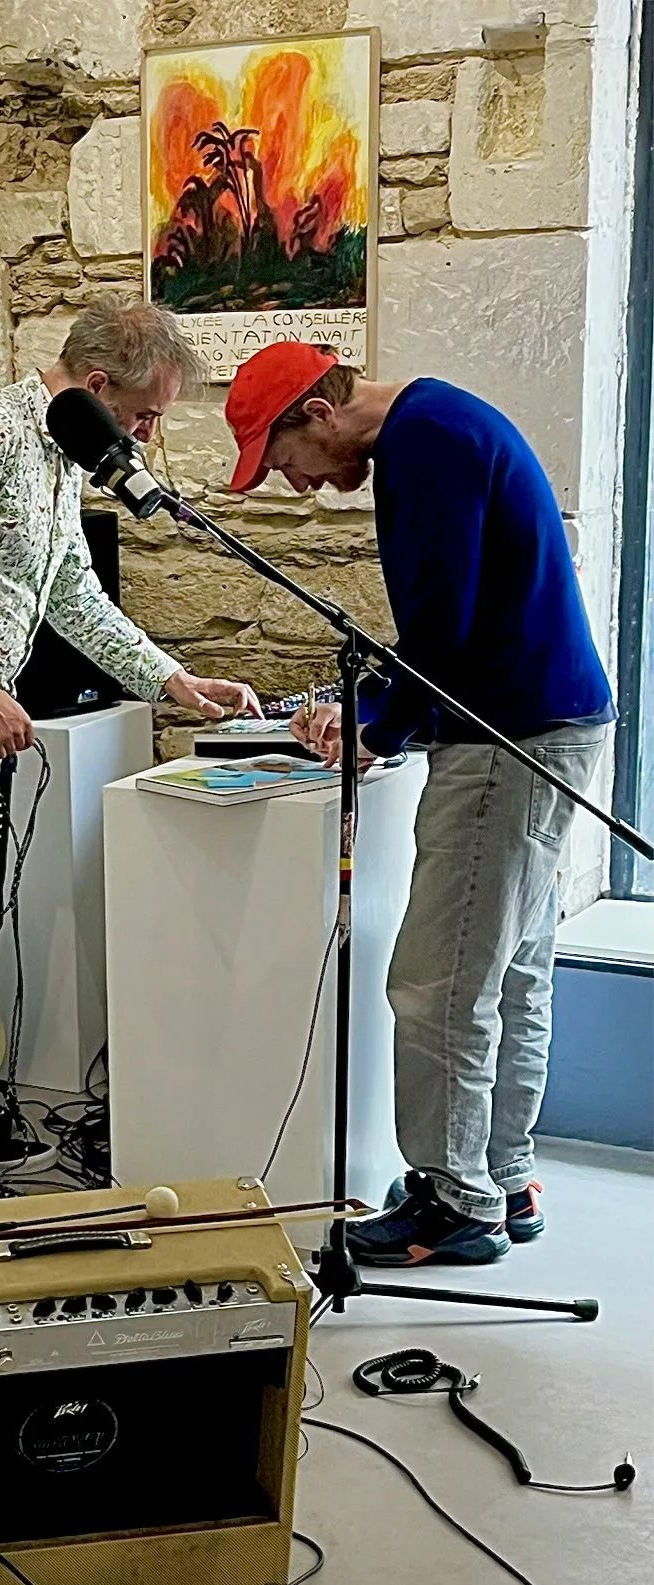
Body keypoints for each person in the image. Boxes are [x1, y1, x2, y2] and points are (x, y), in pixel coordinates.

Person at [0, 302, 261, 1207]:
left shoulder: (57, 460)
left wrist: (172, 682)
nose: (149, 437)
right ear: (100, 387)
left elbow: (76, 597)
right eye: (147, 416)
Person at [225, 342, 614, 1265]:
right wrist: (370, 709)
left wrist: (375, 729)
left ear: (316, 414)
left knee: (439, 983)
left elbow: (444, 628)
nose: (300, 488)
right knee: (508, 970)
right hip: (549, 719)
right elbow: (449, 624)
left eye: (285, 464)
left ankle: (454, 1201)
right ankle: (502, 1176)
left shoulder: (425, 443)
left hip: (505, 739)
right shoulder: (437, 423)